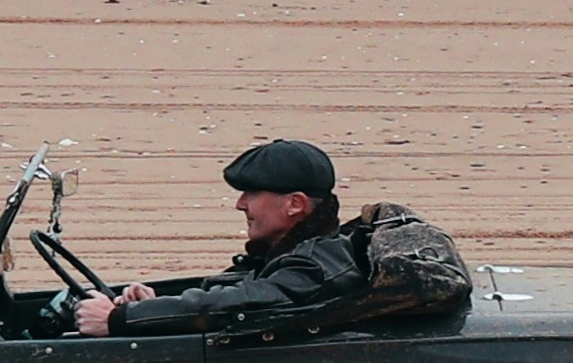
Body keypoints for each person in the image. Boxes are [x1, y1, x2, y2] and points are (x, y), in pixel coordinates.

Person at [75, 138, 367, 337]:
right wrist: (152, 306)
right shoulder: (295, 254)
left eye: (252, 193)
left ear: (295, 204)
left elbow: (238, 306)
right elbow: (233, 292)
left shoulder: (314, 267)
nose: (241, 204)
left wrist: (118, 321)